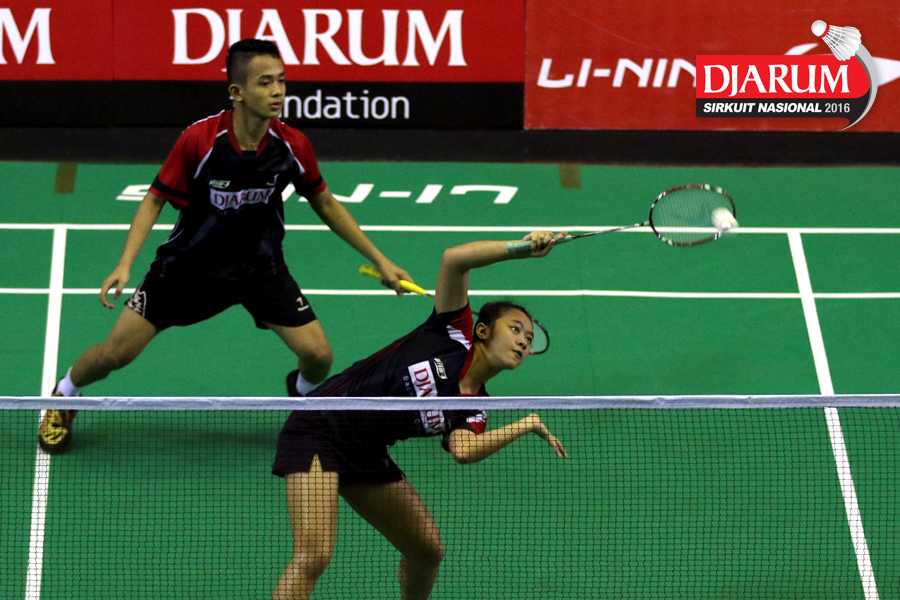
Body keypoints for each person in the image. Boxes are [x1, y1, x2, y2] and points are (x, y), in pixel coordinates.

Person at [37, 39, 412, 454]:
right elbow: (154, 199)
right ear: (237, 92)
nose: (278, 91)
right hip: (187, 270)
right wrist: (125, 263)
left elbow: (325, 203)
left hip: (260, 269)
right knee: (114, 355)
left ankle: (303, 396)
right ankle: (64, 394)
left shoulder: (292, 145)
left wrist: (381, 260)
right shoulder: (200, 141)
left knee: (319, 356)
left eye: (282, 80)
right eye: (265, 82)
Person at [271, 231, 569, 600]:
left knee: (427, 550)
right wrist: (521, 249)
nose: (524, 340)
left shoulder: (476, 406)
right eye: (515, 329)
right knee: (314, 555)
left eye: (529, 338)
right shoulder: (452, 332)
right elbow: (455, 259)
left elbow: (464, 450)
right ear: (482, 330)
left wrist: (526, 424)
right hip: (320, 424)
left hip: (364, 451)